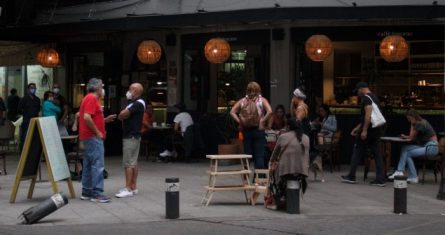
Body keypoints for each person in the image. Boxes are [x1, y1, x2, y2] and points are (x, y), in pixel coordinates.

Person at [79, 78, 116, 203]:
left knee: (89, 164)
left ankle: (87, 191)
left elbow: (90, 118)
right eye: (102, 86)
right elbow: (87, 117)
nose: (103, 89)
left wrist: (104, 120)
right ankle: (97, 193)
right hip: (93, 137)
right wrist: (97, 132)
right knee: (97, 165)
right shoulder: (92, 98)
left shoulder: (89, 98)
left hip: (88, 136)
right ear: (96, 88)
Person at [341, 81, 386, 187]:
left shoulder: (366, 98)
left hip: (369, 130)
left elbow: (368, 115)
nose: (357, 93)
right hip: (375, 130)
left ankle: (351, 176)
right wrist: (357, 128)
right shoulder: (375, 97)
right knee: (377, 154)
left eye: (357, 91)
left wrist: (364, 130)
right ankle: (380, 179)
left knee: (357, 151)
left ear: (361, 89)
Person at [266, 118, 309, 209]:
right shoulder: (306, 138)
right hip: (302, 171)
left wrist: (271, 162)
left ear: (288, 126)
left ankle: (279, 196)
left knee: (274, 173)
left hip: (285, 172)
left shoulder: (283, 137)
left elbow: (274, 155)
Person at [388, 109, 439, 183]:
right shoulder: (421, 122)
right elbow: (412, 137)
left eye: (409, 119)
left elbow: (411, 137)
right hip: (426, 146)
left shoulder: (420, 123)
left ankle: (405, 173)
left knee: (407, 154)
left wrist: (412, 125)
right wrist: (409, 130)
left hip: (431, 147)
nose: (408, 121)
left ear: (413, 116)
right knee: (405, 148)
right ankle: (407, 174)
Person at [230, 81, 272, 169]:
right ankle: (259, 179)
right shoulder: (262, 100)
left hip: (246, 130)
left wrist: (240, 122)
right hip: (258, 130)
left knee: (247, 155)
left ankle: (246, 179)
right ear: (258, 90)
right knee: (259, 155)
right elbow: (270, 111)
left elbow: (232, 112)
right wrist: (262, 121)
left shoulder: (242, 101)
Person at [115, 83, 145, 198]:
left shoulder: (138, 103)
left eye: (130, 89)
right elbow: (122, 115)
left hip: (131, 136)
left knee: (128, 163)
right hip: (134, 136)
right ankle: (133, 187)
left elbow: (123, 114)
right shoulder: (134, 103)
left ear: (135, 91)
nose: (128, 91)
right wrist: (122, 116)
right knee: (133, 162)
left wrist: (122, 115)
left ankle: (128, 188)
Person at [18, 83, 41, 152]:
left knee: (34, 138)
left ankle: (32, 153)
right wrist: (26, 113)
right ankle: (23, 153)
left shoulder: (37, 99)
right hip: (27, 121)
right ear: (28, 89)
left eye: (34, 88)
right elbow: (19, 109)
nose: (33, 89)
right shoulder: (24, 99)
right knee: (25, 138)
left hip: (35, 121)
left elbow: (38, 109)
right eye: (31, 88)